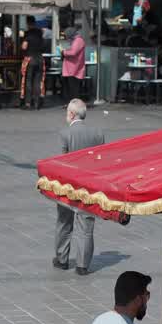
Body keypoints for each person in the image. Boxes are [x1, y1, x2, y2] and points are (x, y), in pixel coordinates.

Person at [54, 99, 105, 276]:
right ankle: (82, 265)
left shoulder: (65, 133)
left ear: (72, 114)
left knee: (64, 222)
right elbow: (102, 161)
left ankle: (62, 259)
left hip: (68, 185)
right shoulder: (98, 134)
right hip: (89, 186)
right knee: (86, 226)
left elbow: (59, 162)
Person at [20, 18, 46, 110]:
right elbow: (44, 46)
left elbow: (24, 46)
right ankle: (37, 102)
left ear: (28, 24)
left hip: (30, 59)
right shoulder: (40, 34)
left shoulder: (28, 34)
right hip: (40, 59)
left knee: (28, 81)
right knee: (38, 81)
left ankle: (28, 103)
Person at [61, 26, 87, 102]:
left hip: (74, 69)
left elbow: (73, 52)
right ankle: (72, 103)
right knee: (70, 88)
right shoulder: (75, 40)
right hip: (71, 68)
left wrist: (64, 52)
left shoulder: (78, 40)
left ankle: (75, 104)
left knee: (74, 89)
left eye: (66, 35)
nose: (66, 37)